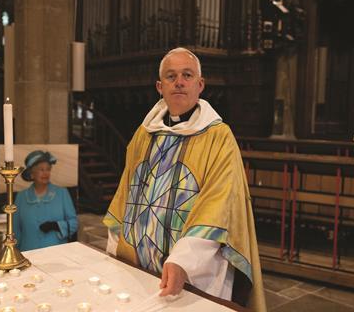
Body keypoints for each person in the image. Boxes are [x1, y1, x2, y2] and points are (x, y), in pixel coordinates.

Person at [103, 47, 266, 311]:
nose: (179, 82)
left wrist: (183, 261)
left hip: (195, 271)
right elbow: (126, 195)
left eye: (187, 75)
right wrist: (115, 246)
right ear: (159, 86)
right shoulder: (143, 135)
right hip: (138, 264)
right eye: (171, 76)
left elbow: (219, 206)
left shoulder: (218, 138)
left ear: (200, 85)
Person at [14, 150, 78, 251]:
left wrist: (56, 226)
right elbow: (15, 230)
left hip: (57, 253)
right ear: (32, 174)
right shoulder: (21, 197)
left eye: (48, 169)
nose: (46, 173)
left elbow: (74, 223)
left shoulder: (62, 193)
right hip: (28, 253)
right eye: (41, 169)